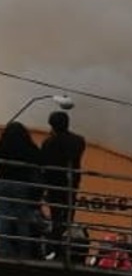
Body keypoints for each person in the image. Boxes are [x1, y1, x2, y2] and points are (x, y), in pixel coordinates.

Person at [39, 110, 86, 259]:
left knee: (56, 217)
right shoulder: (79, 141)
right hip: (71, 184)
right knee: (68, 216)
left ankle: (55, 249)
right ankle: (64, 248)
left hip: (54, 186)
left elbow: (44, 163)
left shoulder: (48, 143)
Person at [0, 121, 44, 259]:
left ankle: (5, 250)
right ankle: (24, 252)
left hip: (4, 184)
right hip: (23, 186)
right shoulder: (30, 148)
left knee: (3, 217)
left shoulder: (3, 147)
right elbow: (39, 163)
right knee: (22, 219)